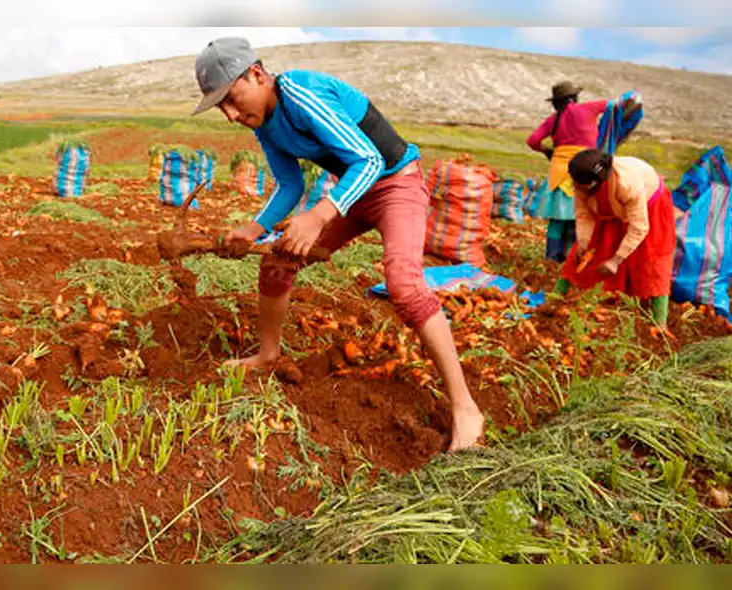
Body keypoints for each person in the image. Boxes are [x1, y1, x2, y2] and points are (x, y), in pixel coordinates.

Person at [191, 37, 484, 452]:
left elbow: (370, 160)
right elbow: (290, 183)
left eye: (232, 99)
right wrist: (255, 230)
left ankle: (465, 406)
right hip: (352, 191)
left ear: (256, 74)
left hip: (396, 182)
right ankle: (268, 354)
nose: (231, 115)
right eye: (221, 107)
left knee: (403, 282)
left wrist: (319, 215)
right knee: (277, 262)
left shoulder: (300, 93)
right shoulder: (265, 123)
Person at [553, 149, 676, 325]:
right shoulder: (582, 183)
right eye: (576, 185)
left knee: (651, 260)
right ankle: (554, 298)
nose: (577, 190)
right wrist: (583, 244)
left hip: (650, 206)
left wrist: (616, 260)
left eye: (581, 187)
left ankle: (659, 323)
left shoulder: (628, 185)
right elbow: (583, 215)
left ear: (596, 183)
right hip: (611, 208)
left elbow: (639, 227)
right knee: (583, 253)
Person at [527, 82, 608, 262]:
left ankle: (551, 259)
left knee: (557, 219)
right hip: (584, 170)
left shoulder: (553, 119)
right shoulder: (588, 108)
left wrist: (548, 151)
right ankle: (572, 259)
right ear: (574, 98)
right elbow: (614, 105)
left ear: (557, 102)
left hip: (559, 171)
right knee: (578, 217)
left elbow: (532, 140)